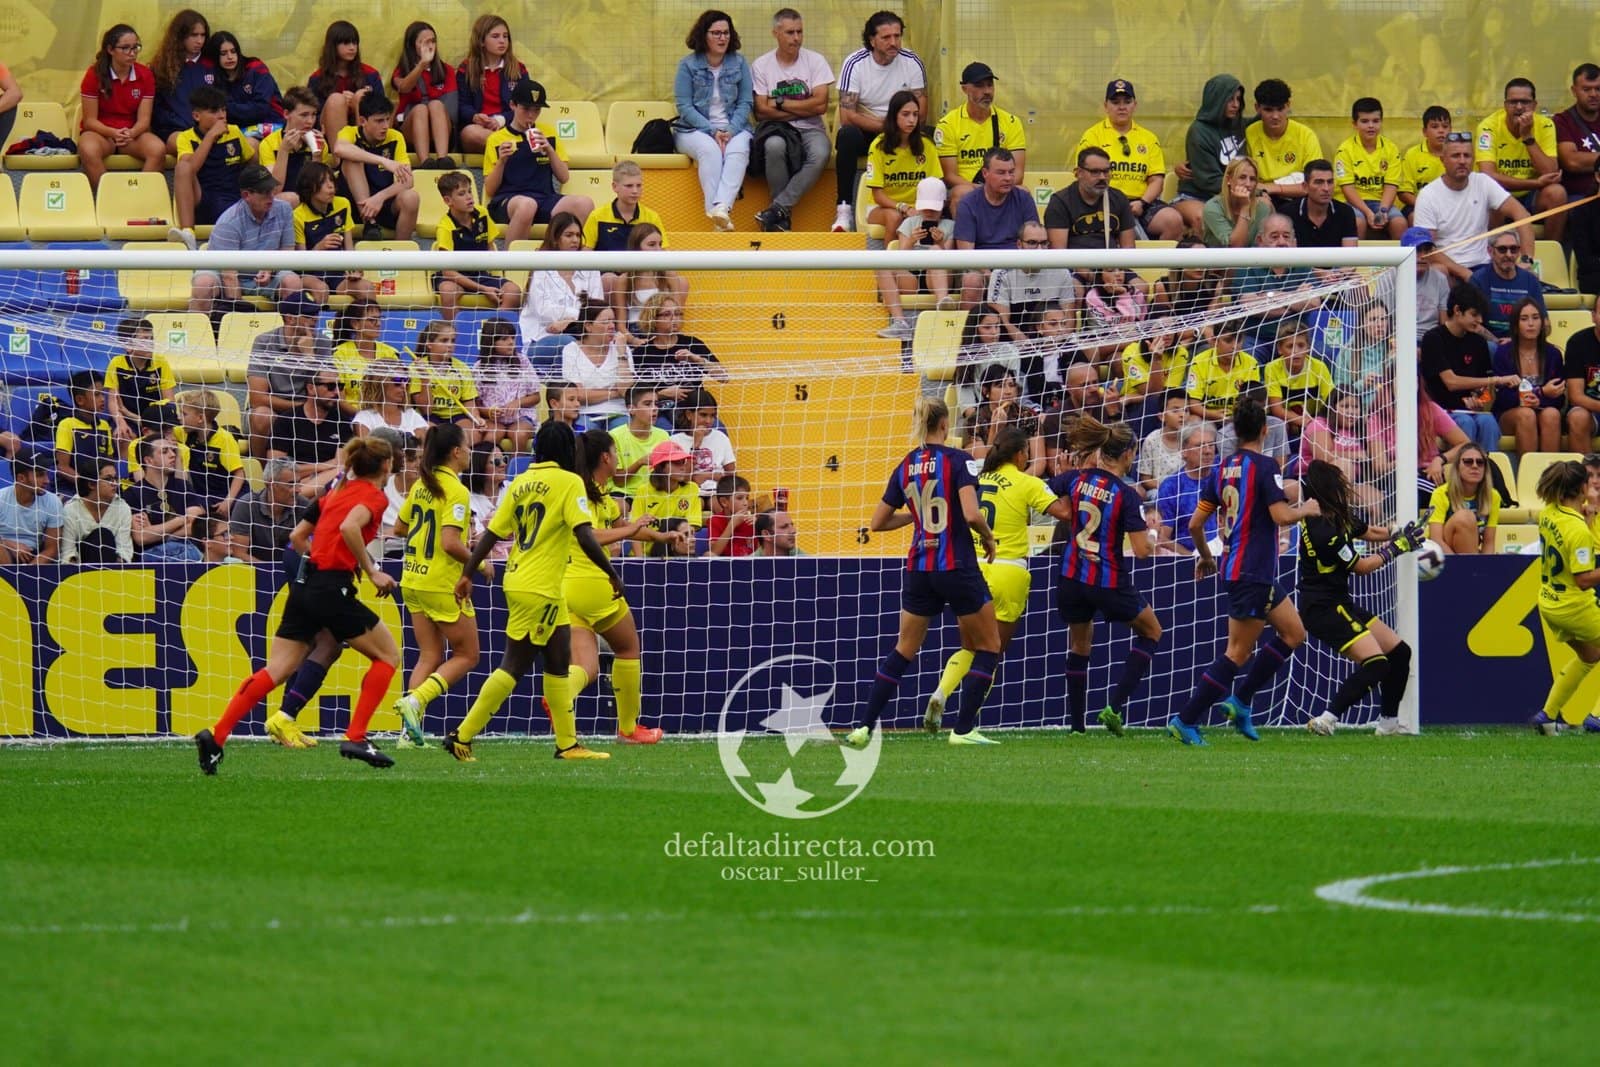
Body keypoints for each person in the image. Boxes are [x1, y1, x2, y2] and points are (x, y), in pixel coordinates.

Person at [195, 436, 402, 774]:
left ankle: (217, 736)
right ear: (386, 465)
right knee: (388, 657)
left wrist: (322, 560)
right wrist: (371, 570)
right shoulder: (373, 497)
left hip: (305, 585)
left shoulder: (331, 494)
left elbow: (296, 538)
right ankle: (356, 736)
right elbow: (351, 527)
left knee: (276, 670)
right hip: (331, 587)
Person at [447, 421, 620, 762]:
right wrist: (611, 571)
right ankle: (462, 735)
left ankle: (567, 744)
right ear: (566, 450)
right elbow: (585, 535)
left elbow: (492, 534)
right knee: (514, 665)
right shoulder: (569, 482)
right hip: (539, 587)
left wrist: (468, 574)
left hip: (523, 579)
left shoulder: (520, 482)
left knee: (558, 660)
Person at [844, 396, 1000, 747]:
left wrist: (916, 518)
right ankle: (963, 731)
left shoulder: (906, 465)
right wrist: (988, 539)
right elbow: (973, 514)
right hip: (956, 564)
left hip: (919, 566)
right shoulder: (960, 460)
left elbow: (877, 523)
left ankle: (864, 727)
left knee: (903, 648)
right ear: (945, 424)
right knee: (989, 644)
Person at [1169, 396, 1321, 745]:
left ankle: (1240, 701)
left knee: (1294, 633)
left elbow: (1195, 525)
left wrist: (1206, 556)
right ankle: (1186, 719)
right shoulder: (1265, 466)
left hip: (1248, 569)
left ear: (1235, 431)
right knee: (1237, 652)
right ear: (1265, 430)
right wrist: (1307, 509)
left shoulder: (1221, 469)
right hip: (1250, 571)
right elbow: (1281, 516)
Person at [923, 424, 1071, 728]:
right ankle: (967, 723)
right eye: (1027, 452)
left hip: (972, 568)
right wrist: (1066, 482)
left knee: (968, 646)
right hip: (1008, 571)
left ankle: (941, 691)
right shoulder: (1026, 482)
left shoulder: (975, 477)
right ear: (1018, 454)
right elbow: (1065, 514)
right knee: (991, 652)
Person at [1297, 460, 1424, 736]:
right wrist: (1397, 549)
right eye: (1341, 484)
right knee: (1377, 664)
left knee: (1400, 653)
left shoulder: (1335, 516)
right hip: (1323, 608)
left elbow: (1370, 532)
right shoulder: (1324, 531)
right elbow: (1363, 568)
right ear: (1329, 488)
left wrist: (1397, 533)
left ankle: (1389, 724)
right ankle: (1327, 719)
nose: (1346, 488)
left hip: (1340, 603)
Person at [1053, 418, 1162, 734]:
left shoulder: (1074, 479)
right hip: (1107, 580)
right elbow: (1142, 551)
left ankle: (1077, 727)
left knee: (1079, 645)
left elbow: (1047, 498)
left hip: (1071, 577)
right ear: (1128, 454)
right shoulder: (1126, 495)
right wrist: (1153, 536)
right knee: (1152, 632)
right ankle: (1114, 707)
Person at [567, 428, 675, 742]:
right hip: (593, 583)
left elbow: (623, 528)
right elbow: (589, 535)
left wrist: (660, 536)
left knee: (587, 667)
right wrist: (629, 532)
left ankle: (560, 696)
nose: (618, 458)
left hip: (568, 589)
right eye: (616, 452)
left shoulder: (600, 496)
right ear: (605, 457)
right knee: (628, 649)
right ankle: (629, 729)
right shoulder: (583, 496)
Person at [387, 423, 480, 747]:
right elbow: (450, 543)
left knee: (428, 654)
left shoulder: (421, 486)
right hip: (441, 582)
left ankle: (408, 734)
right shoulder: (455, 490)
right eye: (467, 446)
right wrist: (479, 561)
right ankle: (415, 702)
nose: (470, 451)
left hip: (412, 577)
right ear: (456, 452)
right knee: (468, 655)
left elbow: (399, 528)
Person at [833, 10, 926, 230]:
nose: (894, 42)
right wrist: (889, 126)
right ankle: (844, 210)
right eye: (886, 37)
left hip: (906, 128)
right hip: (870, 129)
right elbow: (848, 117)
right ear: (872, 40)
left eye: (897, 36)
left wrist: (901, 126)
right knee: (846, 136)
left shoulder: (912, 62)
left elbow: (921, 113)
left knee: (930, 137)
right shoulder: (854, 63)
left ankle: (930, 209)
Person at [1530, 461, 1600, 734]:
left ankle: (1546, 715)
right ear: (1582, 487)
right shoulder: (1578, 529)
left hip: (1549, 602)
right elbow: (1583, 579)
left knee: (1590, 655)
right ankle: (1596, 717)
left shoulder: (1548, 513)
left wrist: (1589, 516)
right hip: (1574, 605)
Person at [749, 8, 833, 233]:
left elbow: (820, 105)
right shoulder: (762, 65)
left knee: (822, 152)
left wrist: (778, 102)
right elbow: (761, 111)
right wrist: (803, 108)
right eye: (790, 33)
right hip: (776, 128)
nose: (796, 38)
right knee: (773, 145)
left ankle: (777, 210)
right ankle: (780, 220)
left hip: (811, 128)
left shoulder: (815, 61)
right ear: (775, 33)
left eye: (799, 32)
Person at [482, 77, 591, 245]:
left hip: (544, 198)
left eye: (537, 110)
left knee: (584, 203)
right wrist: (502, 161)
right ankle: (512, 264)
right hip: (508, 200)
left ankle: (559, 257)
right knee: (527, 205)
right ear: (513, 105)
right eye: (526, 109)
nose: (531, 115)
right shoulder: (497, 139)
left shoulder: (548, 133)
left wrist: (549, 149)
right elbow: (490, 189)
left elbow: (564, 177)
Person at [672, 10, 753, 231]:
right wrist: (711, 130)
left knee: (739, 151)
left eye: (726, 33)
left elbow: (746, 102)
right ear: (703, 35)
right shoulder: (687, 65)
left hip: (734, 127)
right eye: (716, 33)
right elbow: (684, 107)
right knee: (710, 150)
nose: (722, 38)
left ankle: (721, 209)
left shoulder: (739, 62)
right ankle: (717, 217)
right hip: (693, 129)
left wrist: (731, 129)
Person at [1415, 133, 1534, 280]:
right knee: (1438, 272)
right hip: (1449, 269)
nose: (1462, 161)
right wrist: (1465, 273)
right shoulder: (1428, 194)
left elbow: (1521, 214)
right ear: (1443, 159)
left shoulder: (1483, 182)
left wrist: (1527, 259)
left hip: (1484, 266)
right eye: (1456, 156)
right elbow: (1427, 249)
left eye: (1467, 156)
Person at [1075, 79, 1183, 240]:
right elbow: (1084, 176)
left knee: (1173, 221)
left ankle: (1155, 265)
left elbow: (1156, 180)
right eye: (1115, 102)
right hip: (1102, 200)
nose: (1122, 107)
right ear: (1105, 106)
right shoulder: (1093, 136)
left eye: (1127, 101)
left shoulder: (1148, 138)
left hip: (1141, 203)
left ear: (1135, 105)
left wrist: (1142, 203)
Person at [187, 164, 303, 315]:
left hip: (267, 272)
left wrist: (270, 268)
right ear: (246, 195)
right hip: (224, 272)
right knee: (203, 285)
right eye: (264, 192)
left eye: (271, 190)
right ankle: (199, 335)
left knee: (293, 283)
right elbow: (229, 275)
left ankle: (288, 336)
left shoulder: (284, 209)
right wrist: (241, 319)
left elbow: (287, 250)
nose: (271, 196)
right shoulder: (228, 222)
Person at [1421, 283, 1518, 452]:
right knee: (1464, 422)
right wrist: (1496, 380)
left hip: (1469, 411)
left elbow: (1487, 392)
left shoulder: (1478, 341)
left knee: (1488, 421)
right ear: (1457, 310)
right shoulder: (1433, 338)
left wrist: (1480, 400)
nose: (1480, 320)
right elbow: (1451, 382)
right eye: (1474, 314)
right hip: (1440, 410)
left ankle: (1489, 472)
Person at [1476, 77, 1567, 244]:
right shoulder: (1488, 126)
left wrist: (1528, 137)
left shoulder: (1546, 125)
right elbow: (1487, 175)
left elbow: (1551, 171)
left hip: (1532, 196)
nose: (1519, 107)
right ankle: (1492, 256)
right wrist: (1536, 183)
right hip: (1502, 193)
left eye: (1525, 102)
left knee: (1557, 193)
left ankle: (1552, 253)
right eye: (1513, 102)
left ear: (1534, 105)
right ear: (1505, 105)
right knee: (1492, 194)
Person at [79, 24, 167, 190]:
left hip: (132, 134)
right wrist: (113, 133)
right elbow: (90, 121)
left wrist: (131, 133)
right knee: (87, 148)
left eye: (135, 47)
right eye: (125, 48)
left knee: (157, 149)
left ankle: (139, 197)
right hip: (102, 133)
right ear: (110, 50)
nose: (132, 53)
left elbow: (144, 120)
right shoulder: (94, 74)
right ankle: (110, 198)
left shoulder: (145, 74)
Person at [935, 61, 1026, 215]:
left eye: (990, 85)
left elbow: (1018, 172)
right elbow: (949, 176)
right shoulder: (948, 124)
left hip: (1001, 186)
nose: (987, 91)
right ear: (964, 89)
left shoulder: (1011, 122)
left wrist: (996, 186)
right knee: (961, 193)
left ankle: (1018, 238)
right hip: (967, 188)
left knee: (1024, 193)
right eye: (979, 86)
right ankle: (963, 238)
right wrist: (983, 190)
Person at [247, 291, 328, 457]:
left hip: (312, 408)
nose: (315, 319)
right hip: (276, 409)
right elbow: (257, 398)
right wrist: (301, 408)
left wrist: (310, 357)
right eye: (308, 315)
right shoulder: (264, 342)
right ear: (290, 318)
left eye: (316, 314)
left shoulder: (323, 342)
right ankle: (261, 476)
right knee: (262, 415)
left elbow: (326, 389)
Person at [170, 85, 254, 245]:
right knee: (183, 167)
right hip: (202, 199)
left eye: (223, 110)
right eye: (214, 112)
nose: (222, 116)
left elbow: (251, 161)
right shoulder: (186, 137)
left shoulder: (235, 132)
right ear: (196, 116)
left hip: (233, 199)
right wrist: (210, 137)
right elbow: (190, 170)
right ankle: (188, 233)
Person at [953, 147, 1035, 307]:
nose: (1008, 178)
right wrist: (994, 276)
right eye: (1001, 173)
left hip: (1018, 266)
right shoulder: (968, 203)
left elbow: (1034, 242)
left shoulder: (1024, 199)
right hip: (981, 268)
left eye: (1011, 172)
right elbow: (967, 255)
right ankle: (969, 330)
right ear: (985, 173)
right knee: (971, 280)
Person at [626, 295, 724, 426]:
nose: (675, 319)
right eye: (667, 314)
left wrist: (697, 359)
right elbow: (635, 394)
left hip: (694, 409)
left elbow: (724, 376)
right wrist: (661, 394)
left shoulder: (692, 344)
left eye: (678, 314)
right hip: (661, 411)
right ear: (653, 318)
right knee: (665, 431)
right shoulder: (641, 353)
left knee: (719, 429)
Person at [520, 212, 603, 365]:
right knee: (569, 344)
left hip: (584, 334)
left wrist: (569, 322)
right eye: (569, 235)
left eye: (578, 235)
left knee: (614, 340)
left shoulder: (590, 267)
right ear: (556, 238)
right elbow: (544, 310)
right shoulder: (541, 267)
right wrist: (577, 318)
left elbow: (598, 308)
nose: (575, 240)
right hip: (541, 338)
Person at [333, 92, 419, 240]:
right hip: (353, 204)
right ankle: (370, 223)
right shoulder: (350, 133)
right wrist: (383, 161)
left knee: (411, 197)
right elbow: (339, 149)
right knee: (352, 160)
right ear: (363, 121)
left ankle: (401, 255)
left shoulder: (395, 137)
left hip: (382, 203)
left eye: (387, 119)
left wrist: (379, 198)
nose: (385, 126)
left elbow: (408, 180)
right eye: (379, 121)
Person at [861, 89, 940, 245]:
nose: (911, 120)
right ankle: (891, 266)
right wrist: (903, 208)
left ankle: (926, 266)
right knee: (894, 217)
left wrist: (923, 210)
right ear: (894, 116)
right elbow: (878, 195)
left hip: (918, 207)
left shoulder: (927, 145)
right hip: (882, 207)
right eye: (905, 114)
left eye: (915, 114)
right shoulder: (878, 146)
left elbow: (935, 185)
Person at [878, 177, 955, 331]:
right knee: (881, 265)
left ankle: (942, 306)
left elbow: (949, 259)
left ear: (943, 205)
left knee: (935, 251)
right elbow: (900, 259)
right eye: (926, 208)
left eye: (934, 209)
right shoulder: (909, 223)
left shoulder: (951, 226)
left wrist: (939, 243)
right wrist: (912, 240)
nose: (929, 212)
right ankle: (900, 322)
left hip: (938, 278)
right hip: (912, 278)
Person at [1174, 73, 1246, 235]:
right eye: (1230, 99)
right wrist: (1245, 190)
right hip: (1196, 195)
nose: (1235, 105)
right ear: (1216, 100)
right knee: (1204, 217)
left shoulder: (1241, 125)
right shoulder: (1198, 131)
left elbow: (1267, 117)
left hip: (1233, 193)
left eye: (1238, 99)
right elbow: (1208, 181)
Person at [1493, 298, 1566, 454]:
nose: (1531, 324)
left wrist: (1539, 399)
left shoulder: (1553, 354)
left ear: (1542, 322)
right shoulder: (1503, 353)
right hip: (1509, 413)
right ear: (1515, 325)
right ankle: (1527, 473)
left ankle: (1551, 474)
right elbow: (1502, 398)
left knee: (1552, 414)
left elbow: (1559, 398)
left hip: (1543, 409)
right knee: (1526, 415)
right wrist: (1539, 392)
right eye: (1524, 319)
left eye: (1535, 318)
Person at [268, 372, 355, 497]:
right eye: (330, 386)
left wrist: (310, 476)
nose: (337, 392)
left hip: (327, 487)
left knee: (344, 471)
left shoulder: (342, 422)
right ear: (311, 388)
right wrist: (322, 466)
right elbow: (275, 469)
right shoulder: (286, 420)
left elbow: (339, 465)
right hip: (291, 484)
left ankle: (300, 495)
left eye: (340, 386)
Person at [1333, 97, 1406, 238]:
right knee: (1357, 222)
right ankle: (1355, 261)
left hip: (1381, 202)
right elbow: (1347, 189)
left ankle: (1396, 261)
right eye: (1365, 121)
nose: (1371, 126)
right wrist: (1367, 212)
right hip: (1351, 203)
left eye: (1375, 121)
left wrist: (1383, 211)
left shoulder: (1391, 148)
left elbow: (1391, 185)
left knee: (1399, 223)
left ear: (1381, 122)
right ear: (1354, 124)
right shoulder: (1345, 150)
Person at [454, 14, 527, 156]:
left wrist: (501, 120)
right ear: (481, 41)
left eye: (505, 36)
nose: (502, 41)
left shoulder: (519, 69)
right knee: (470, 133)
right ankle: (516, 150)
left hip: (509, 127)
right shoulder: (466, 68)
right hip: (479, 130)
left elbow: (525, 106)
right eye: (495, 36)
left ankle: (509, 150)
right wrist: (475, 117)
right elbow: (462, 106)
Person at [1299, 388, 1381, 512]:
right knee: (1344, 464)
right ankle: (1341, 519)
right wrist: (1353, 455)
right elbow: (1323, 457)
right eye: (1345, 406)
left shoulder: (1359, 429)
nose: (1351, 412)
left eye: (1355, 407)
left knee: (1375, 499)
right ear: (1332, 407)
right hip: (1314, 481)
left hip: (1350, 484)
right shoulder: (1319, 424)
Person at [1245, 78, 1323, 206]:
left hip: (1298, 199)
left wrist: (1275, 187)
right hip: (1262, 196)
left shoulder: (1305, 135)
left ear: (1288, 105)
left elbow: (1315, 183)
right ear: (1257, 108)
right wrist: (1263, 190)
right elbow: (1245, 179)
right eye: (1268, 110)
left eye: (1280, 109)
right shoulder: (1249, 133)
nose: (1275, 116)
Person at [1557, 65, 1600, 294]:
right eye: (1587, 89)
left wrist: (1588, 160)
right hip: (1581, 199)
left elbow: (1579, 159)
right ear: (1574, 90)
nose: (1593, 94)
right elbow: (1571, 161)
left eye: (1598, 89)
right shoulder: (1563, 120)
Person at [389, 21, 456, 168]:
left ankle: (443, 159)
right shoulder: (402, 71)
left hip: (441, 129)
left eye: (432, 41)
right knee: (420, 109)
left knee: (436, 105)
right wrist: (421, 65)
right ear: (413, 45)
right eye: (424, 42)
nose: (430, 46)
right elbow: (404, 87)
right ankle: (425, 162)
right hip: (412, 130)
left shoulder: (447, 70)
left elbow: (452, 110)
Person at [124, 438, 204, 561]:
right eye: (165, 452)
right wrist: (180, 520)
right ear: (149, 460)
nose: (172, 455)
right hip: (153, 558)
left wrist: (158, 532)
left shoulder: (183, 486)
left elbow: (198, 527)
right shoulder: (132, 494)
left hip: (188, 552)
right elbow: (142, 537)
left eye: (173, 451)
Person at [308, 20, 384, 146]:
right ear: (333, 46)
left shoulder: (371, 74)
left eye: (355, 43)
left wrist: (355, 104)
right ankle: (341, 159)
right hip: (328, 134)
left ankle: (364, 151)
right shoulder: (317, 78)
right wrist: (341, 105)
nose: (352, 47)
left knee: (361, 96)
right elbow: (312, 116)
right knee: (336, 100)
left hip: (366, 129)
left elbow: (383, 111)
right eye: (346, 43)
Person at [103, 317, 175, 449]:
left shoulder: (160, 362)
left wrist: (162, 426)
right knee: (123, 435)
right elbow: (113, 401)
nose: (149, 344)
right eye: (143, 340)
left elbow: (169, 401)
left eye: (151, 339)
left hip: (156, 420)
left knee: (164, 443)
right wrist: (120, 422)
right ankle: (128, 469)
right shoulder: (117, 364)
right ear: (128, 346)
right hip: (128, 419)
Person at [562, 299, 633, 430]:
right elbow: (579, 395)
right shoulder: (571, 350)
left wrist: (622, 353)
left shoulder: (622, 348)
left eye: (613, 321)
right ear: (588, 326)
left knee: (623, 432)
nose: (612, 326)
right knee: (587, 436)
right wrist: (615, 393)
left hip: (618, 412)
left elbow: (627, 391)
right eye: (605, 322)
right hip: (585, 413)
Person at [475, 317, 541, 454]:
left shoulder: (522, 361)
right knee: (492, 435)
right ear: (491, 342)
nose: (511, 342)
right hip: (493, 420)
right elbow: (475, 403)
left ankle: (515, 472)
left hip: (521, 417)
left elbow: (536, 397)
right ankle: (487, 471)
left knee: (519, 435)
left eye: (512, 337)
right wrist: (489, 412)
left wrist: (518, 402)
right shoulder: (479, 368)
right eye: (504, 339)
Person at [175, 387, 246, 517]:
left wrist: (228, 501)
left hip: (229, 494)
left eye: (184, 414)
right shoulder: (184, 433)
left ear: (200, 418)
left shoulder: (224, 439)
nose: (179, 418)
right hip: (205, 495)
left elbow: (239, 473)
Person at [410, 320, 485, 440]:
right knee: (427, 435)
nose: (450, 345)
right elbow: (426, 410)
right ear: (429, 343)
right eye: (444, 340)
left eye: (453, 341)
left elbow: (469, 403)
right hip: (430, 416)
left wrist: (477, 418)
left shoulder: (462, 368)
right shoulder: (416, 367)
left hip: (456, 415)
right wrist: (425, 378)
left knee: (474, 435)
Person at [614, 225, 689, 341]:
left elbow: (678, 317)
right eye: (652, 245)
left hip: (664, 330)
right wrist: (635, 341)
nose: (658, 249)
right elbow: (620, 325)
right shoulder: (625, 280)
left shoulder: (668, 275)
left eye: (660, 244)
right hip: (635, 332)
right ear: (637, 248)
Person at [1154, 422, 1218, 555]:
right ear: (1184, 452)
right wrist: (1194, 558)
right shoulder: (1171, 487)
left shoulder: (1225, 477)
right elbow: (1162, 538)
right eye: (1199, 446)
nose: (1207, 451)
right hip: (1184, 559)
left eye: (1211, 445)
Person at [1469, 234, 1546, 344]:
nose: (1509, 254)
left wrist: (1515, 341)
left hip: (1523, 341)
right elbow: (1472, 323)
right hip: (1490, 342)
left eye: (1513, 249)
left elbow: (1546, 324)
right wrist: (1498, 343)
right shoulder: (1479, 279)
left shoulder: (1530, 280)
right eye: (1502, 249)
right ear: (1490, 251)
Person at [256, 86, 324, 208]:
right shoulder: (268, 144)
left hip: (309, 199)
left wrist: (317, 155)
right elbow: (274, 190)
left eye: (313, 115)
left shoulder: (317, 141)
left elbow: (318, 189)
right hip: (281, 201)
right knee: (290, 199)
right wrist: (284, 150)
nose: (310, 121)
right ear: (286, 114)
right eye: (304, 115)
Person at [204, 31, 282, 136]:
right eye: (223, 53)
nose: (230, 57)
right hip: (239, 128)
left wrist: (228, 108)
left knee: (247, 144)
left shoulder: (256, 69)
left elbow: (261, 109)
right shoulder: (214, 77)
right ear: (215, 56)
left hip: (271, 124)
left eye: (233, 51)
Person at [150, 9, 210, 146]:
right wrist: (186, 124)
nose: (199, 41)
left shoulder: (211, 66)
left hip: (207, 130)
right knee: (189, 144)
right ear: (180, 36)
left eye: (203, 35)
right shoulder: (161, 67)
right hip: (173, 130)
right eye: (194, 35)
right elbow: (157, 110)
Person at [583, 160, 669, 254]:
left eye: (639, 185)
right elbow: (584, 254)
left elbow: (663, 254)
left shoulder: (652, 217)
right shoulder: (597, 216)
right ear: (615, 187)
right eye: (629, 186)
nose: (635, 191)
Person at [1426, 445, 1499, 554]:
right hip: (1442, 554)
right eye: (1468, 462)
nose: (1475, 466)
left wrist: (1486, 569)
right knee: (1465, 517)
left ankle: (1474, 569)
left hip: (1470, 552)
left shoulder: (1493, 496)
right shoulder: (1441, 493)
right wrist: (1458, 565)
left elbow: (1489, 542)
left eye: (1480, 462)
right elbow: (1436, 539)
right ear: (1457, 467)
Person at [227, 457, 300, 564]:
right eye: (291, 484)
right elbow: (239, 553)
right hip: (254, 573)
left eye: (298, 483)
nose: (298, 489)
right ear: (271, 485)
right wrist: (270, 572)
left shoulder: (303, 505)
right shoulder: (246, 505)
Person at [61, 460, 132, 564]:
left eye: (115, 478)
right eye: (108, 479)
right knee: (101, 536)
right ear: (91, 484)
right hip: (80, 571)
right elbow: (68, 553)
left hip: (113, 571)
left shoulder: (123, 508)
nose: (115, 484)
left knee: (104, 536)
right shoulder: (71, 509)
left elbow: (124, 551)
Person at [0, 448, 62, 565]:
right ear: (21, 478)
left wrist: (30, 571)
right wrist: (9, 544)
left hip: (34, 556)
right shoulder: (1, 499)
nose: (47, 481)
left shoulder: (53, 501)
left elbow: (52, 548)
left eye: (46, 474)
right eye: (40, 475)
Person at [54, 371, 115, 489]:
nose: (103, 399)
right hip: (71, 488)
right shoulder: (67, 425)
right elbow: (63, 467)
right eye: (97, 394)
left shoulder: (104, 425)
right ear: (80, 400)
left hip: (100, 489)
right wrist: (86, 485)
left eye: (103, 394)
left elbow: (109, 462)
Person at [670, 387, 737, 491]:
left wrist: (708, 476)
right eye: (703, 415)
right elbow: (683, 479)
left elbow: (733, 476)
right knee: (698, 502)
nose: (708, 421)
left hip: (716, 491)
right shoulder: (675, 441)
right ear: (689, 415)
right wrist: (696, 445)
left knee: (718, 503)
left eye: (712, 416)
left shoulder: (721, 438)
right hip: (687, 492)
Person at [610, 385, 669, 495]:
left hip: (655, 493)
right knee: (620, 507)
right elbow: (618, 482)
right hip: (624, 493)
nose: (654, 408)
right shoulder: (615, 436)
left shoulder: (663, 435)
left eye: (656, 404)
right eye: (647, 404)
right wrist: (640, 463)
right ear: (631, 409)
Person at [1202, 157, 1271, 248]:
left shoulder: (1262, 208)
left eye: (1252, 179)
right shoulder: (1213, 207)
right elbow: (1236, 247)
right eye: (1242, 177)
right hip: (1218, 260)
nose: (1248, 184)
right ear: (1229, 180)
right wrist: (1245, 208)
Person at [1291, 159, 1359, 249]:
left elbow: (1350, 258)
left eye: (1330, 182)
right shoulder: (1289, 213)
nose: (1326, 188)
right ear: (1305, 187)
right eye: (1319, 182)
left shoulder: (1345, 213)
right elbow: (1287, 257)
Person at [1397, 106, 1451, 213]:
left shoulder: (1459, 154)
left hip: (1451, 207)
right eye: (1435, 127)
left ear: (1451, 129)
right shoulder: (1412, 154)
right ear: (1424, 131)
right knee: (1413, 217)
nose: (1441, 131)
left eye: (1445, 126)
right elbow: (1404, 192)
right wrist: (1426, 207)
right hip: (1420, 206)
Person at [1566, 299, 1600, 450]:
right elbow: (1575, 396)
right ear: (1594, 316)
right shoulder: (1578, 342)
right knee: (1577, 417)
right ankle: (1585, 473)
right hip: (1590, 410)